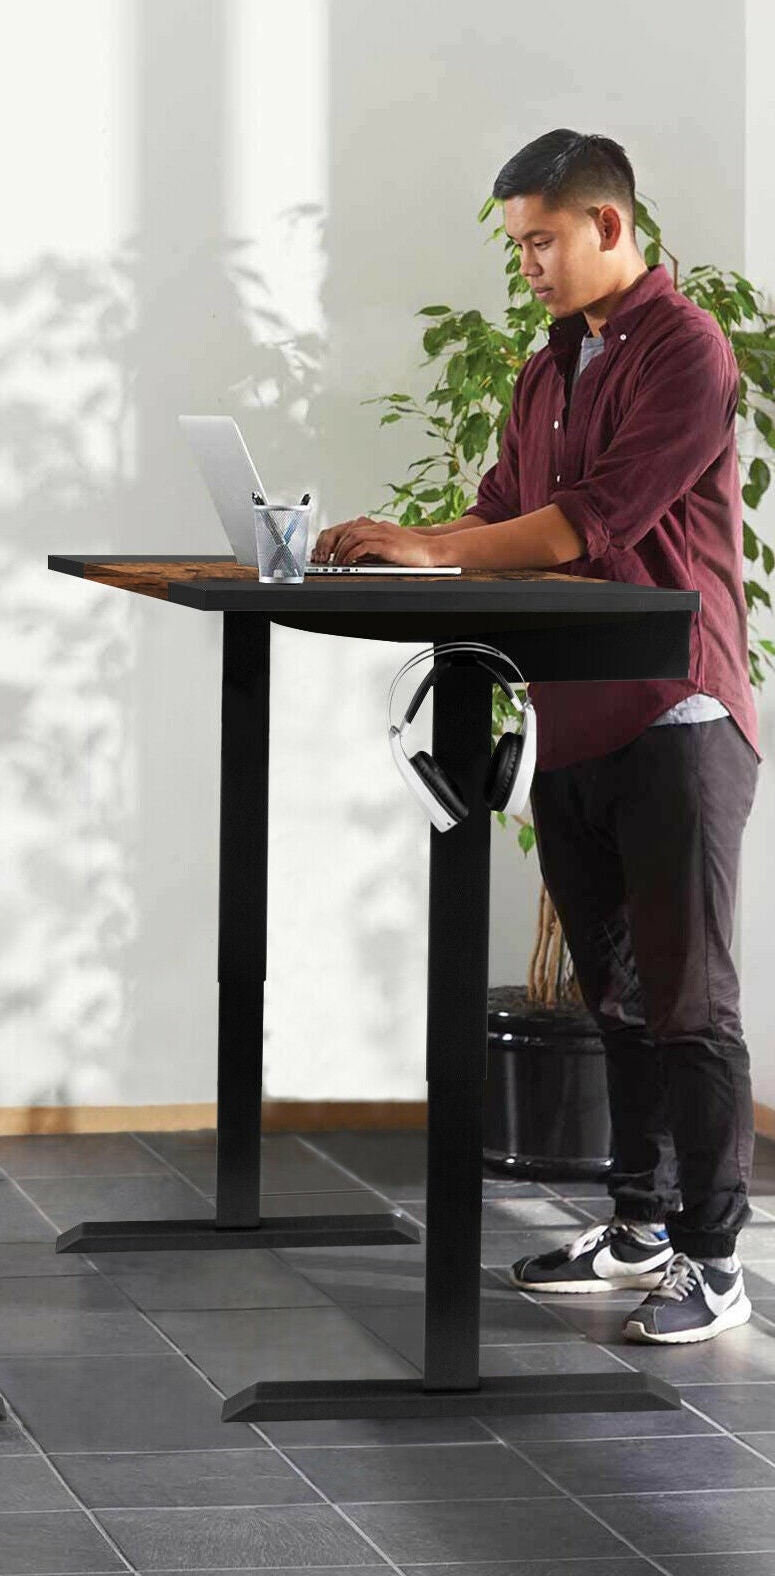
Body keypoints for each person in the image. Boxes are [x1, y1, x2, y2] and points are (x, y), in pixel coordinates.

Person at [316, 130, 760, 1344]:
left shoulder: (686, 349)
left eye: (542, 241)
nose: (528, 268)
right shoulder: (542, 366)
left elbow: (589, 523)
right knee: (614, 996)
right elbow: (500, 513)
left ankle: (715, 1258)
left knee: (688, 1000)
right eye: (518, 247)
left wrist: (434, 549)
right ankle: (637, 1224)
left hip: (677, 710)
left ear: (610, 225)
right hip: (571, 714)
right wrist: (397, 541)